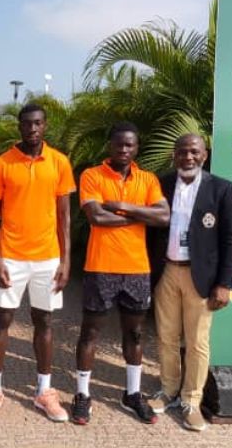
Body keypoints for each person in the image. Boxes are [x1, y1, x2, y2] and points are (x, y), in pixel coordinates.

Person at [0, 104, 75, 422]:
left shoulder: (59, 162)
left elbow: (64, 216)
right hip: (10, 255)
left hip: (48, 257)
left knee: (44, 321)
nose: (32, 128)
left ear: (45, 126)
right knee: (2, 320)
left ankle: (44, 391)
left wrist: (66, 260)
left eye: (38, 123)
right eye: (27, 123)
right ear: (19, 126)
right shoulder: (2, 164)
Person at [71, 122, 170, 426]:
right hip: (101, 266)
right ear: (109, 146)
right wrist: (140, 216)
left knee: (135, 333)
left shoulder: (148, 179)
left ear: (137, 148)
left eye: (129, 145)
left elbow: (164, 216)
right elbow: (97, 217)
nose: (124, 150)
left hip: (136, 269)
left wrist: (122, 207)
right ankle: (82, 394)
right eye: (119, 144)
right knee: (90, 332)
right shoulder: (92, 175)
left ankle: (132, 394)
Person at [146, 133, 232, 432]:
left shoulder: (222, 189)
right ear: (174, 155)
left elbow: (230, 240)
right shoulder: (161, 184)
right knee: (166, 337)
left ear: (204, 155)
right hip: (166, 272)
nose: (188, 157)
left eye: (194, 152)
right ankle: (168, 390)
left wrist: (225, 283)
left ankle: (192, 401)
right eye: (183, 152)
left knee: (197, 342)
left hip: (202, 277)